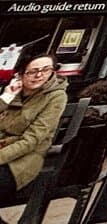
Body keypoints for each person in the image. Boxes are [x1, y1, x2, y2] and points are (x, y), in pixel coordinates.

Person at [0, 53, 68, 208]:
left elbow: (32, 140)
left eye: (45, 70)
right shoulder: (14, 92)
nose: (39, 75)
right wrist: (6, 98)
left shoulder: (56, 96)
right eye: (32, 71)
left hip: (23, 159)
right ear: (19, 74)